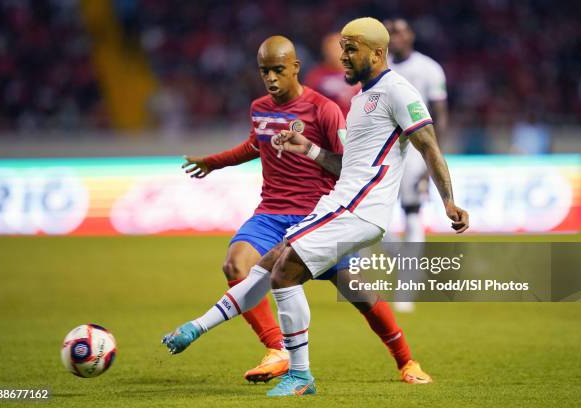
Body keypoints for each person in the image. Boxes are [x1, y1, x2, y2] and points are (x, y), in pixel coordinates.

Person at [177, 35, 426, 385]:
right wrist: (213, 163)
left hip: (317, 216)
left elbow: (347, 165)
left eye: (278, 70)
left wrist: (310, 153)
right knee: (235, 264)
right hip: (270, 214)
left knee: (359, 293)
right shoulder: (259, 107)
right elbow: (254, 144)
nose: (271, 78)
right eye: (265, 71)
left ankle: (406, 361)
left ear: (295, 67)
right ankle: (277, 349)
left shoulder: (324, 109)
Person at [382, 18, 450, 312]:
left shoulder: (429, 69)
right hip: (383, 148)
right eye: (389, 33)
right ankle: (410, 265)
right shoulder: (379, 64)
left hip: (413, 148)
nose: (394, 37)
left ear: (411, 35)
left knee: (411, 212)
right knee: (376, 220)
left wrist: (432, 157)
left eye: (398, 31)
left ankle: (406, 290)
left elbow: (440, 114)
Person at [305, 32, 360, 117]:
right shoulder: (316, 76)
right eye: (332, 49)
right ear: (325, 52)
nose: (335, 53)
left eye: (339, 48)